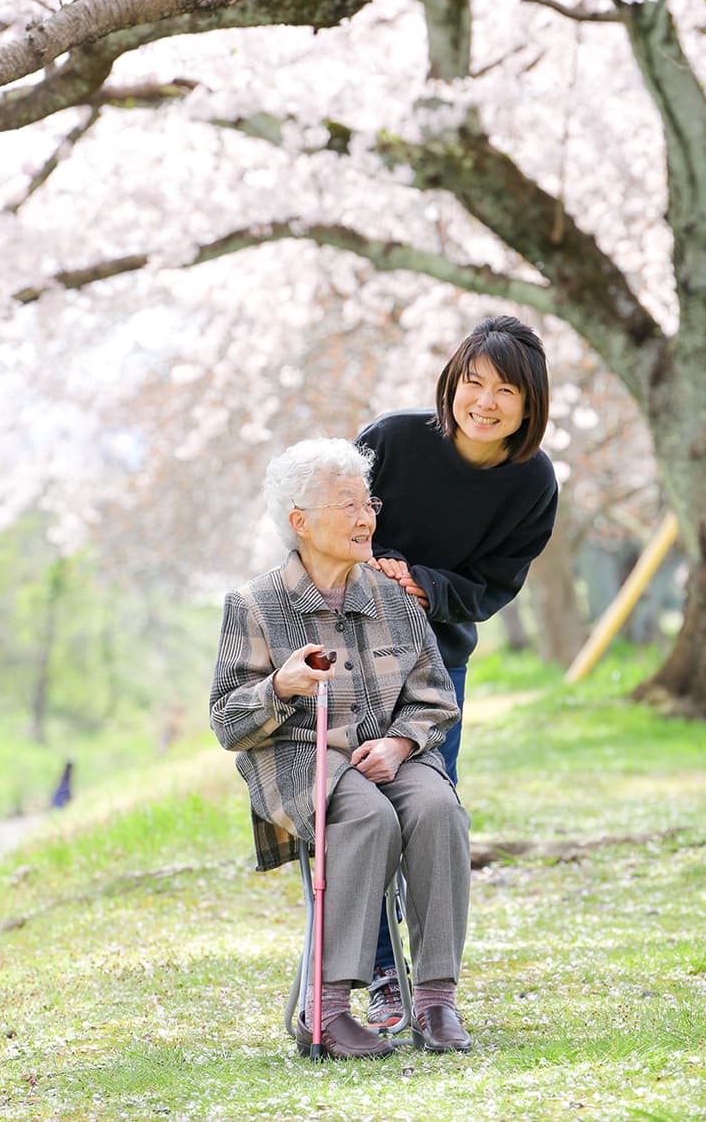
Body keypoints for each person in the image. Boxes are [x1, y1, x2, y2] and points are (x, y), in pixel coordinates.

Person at [210, 438, 472, 1060]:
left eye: (368, 502)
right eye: (347, 504)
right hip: (297, 757)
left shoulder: (393, 598)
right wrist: (280, 685)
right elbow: (226, 721)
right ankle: (323, 1010)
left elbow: (434, 695)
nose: (365, 518)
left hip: (386, 752)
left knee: (439, 810)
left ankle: (436, 1002)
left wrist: (402, 741)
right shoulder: (252, 604)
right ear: (300, 521)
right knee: (366, 814)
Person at [356, 314, 558, 1027]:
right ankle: (382, 976)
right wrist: (370, 574)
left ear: (530, 405)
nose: (485, 401)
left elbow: (497, 584)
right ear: (453, 380)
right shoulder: (392, 440)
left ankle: (434, 984)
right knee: (365, 809)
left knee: (431, 805)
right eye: (475, 381)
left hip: (436, 665)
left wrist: (426, 586)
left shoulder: (532, 482)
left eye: (506, 390)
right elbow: (328, 524)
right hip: (351, 656)